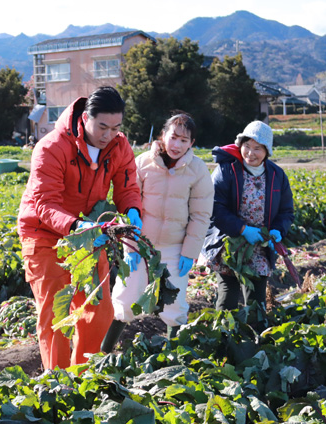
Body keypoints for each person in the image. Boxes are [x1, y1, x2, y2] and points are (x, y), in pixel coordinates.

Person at [17, 86, 142, 370]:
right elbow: (45, 205)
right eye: (102, 126)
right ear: (85, 118)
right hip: (44, 235)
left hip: (89, 237)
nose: (108, 134)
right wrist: (78, 225)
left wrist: (133, 210)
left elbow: (128, 187)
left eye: (115, 127)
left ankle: (84, 378)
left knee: (98, 312)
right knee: (56, 317)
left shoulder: (119, 146)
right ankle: (57, 384)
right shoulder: (51, 147)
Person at [104, 112, 213, 348]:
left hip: (175, 248)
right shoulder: (142, 163)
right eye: (173, 137)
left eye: (184, 141)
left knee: (175, 304)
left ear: (191, 143)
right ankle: (105, 351)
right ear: (163, 136)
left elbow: (200, 214)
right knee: (125, 298)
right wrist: (130, 247)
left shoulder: (198, 170)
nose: (177, 145)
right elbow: (126, 203)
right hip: (141, 245)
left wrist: (190, 251)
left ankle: (175, 355)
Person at [201, 120, 294, 311]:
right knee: (228, 296)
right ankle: (224, 337)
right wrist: (242, 229)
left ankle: (255, 337)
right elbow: (214, 207)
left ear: (267, 151)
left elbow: (286, 211)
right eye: (247, 146)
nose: (250, 153)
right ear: (240, 145)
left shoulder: (277, 175)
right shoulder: (227, 170)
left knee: (256, 301)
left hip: (259, 246)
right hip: (228, 244)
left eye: (257, 148)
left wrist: (278, 230)